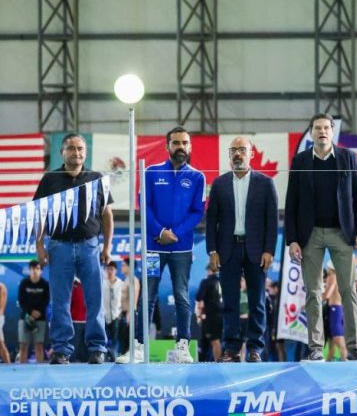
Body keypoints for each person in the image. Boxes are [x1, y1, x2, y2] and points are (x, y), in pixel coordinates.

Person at [284, 114, 357, 362]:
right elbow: (292, 203)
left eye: (326, 128)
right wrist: (293, 240)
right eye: (317, 128)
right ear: (311, 133)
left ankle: (354, 348)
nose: (322, 131)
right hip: (310, 235)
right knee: (312, 292)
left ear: (333, 132)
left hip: (342, 234)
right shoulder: (300, 161)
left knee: (348, 290)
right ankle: (316, 349)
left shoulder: (347, 158)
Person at [119, 126, 204, 364]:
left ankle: (182, 347)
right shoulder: (151, 173)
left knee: (182, 296)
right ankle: (137, 347)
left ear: (190, 146)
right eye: (176, 143)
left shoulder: (197, 177)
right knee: (147, 296)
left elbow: (198, 212)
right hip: (154, 247)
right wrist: (160, 232)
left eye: (185, 143)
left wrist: (174, 233)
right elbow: (143, 205)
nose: (180, 147)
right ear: (167, 146)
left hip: (182, 249)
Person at [33, 133, 113, 364]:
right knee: (60, 301)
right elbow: (39, 214)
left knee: (95, 300)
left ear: (85, 152)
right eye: (71, 149)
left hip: (90, 247)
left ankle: (97, 348)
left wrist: (106, 246)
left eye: (80, 149)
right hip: (59, 247)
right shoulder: (50, 179)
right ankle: (61, 350)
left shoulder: (97, 178)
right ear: (62, 152)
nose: (76, 153)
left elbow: (107, 215)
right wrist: (40, 246)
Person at [206, 137, 278, 363]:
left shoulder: (266, 183)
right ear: (229, 155)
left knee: (257, 301)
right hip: (227, 249)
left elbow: (272, 220)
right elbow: (211, 220)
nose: (238, 154)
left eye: (242, 150)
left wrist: (269, 250)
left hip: (257, 250)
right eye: (234, 150)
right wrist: (212, 250)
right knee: (230, 301)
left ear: (251, 154)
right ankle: (232, 348)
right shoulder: (219, 184)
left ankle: (256, 348)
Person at [17, 260, 49, 364]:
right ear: (29, 270)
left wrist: (38, 312)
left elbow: (46, 300)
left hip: (40, 318)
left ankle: (39, 371)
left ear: (41, 271)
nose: (34, 271)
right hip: (25, 318)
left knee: (39, 346)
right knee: (23, 345)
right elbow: (21, 301)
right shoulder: (24, 283)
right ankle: (21, 372)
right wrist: (30, 312)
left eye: (37, 268)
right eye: (32, 269)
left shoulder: (45, 284)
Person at [194, 263, 223, 362]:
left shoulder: (206, 282)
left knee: (215, 341)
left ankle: (218, 361)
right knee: (222, 340)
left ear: (209, 270)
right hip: (225, 314)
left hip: (211, 315)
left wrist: (200, 314)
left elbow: (199, 299)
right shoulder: (224, 281)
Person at [321, 268, 347, 362]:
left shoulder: (333, 276)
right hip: (337, 309)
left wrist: (311, 301)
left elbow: (327, 295)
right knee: (331, 343)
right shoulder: (340, 276)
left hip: (335, 309)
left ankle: (347, 364)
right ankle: (327, 366)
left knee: (338, 338)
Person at [102, 262, 125, 357]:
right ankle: (105, 355)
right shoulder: (102, 283)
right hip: (104, 315)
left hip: (116, 315)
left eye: (112, 269)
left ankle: (114, 355)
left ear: (116, 270)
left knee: (116, 338)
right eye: (108, 269)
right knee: (104, 338)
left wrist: (121, 311)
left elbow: (124, 299)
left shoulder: (121, 283)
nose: (110, 271)